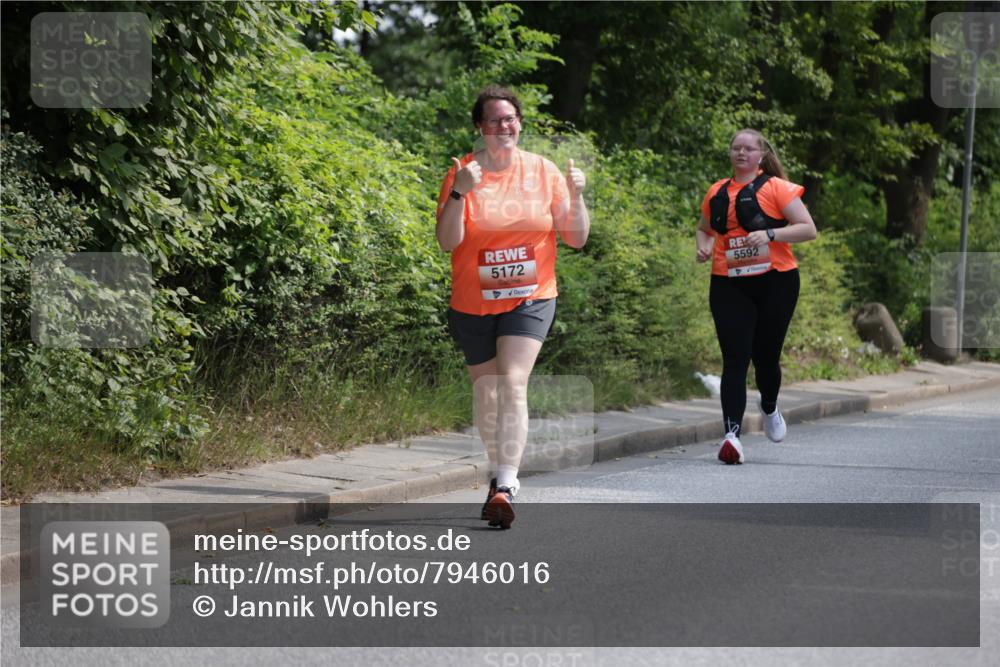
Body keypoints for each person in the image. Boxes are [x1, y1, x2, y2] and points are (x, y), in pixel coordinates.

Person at [436, 85, 590, 527]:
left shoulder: (542, 171)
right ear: (480, 128)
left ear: (520, 122)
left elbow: (576, 238)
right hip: (472, 298)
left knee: (513, 382)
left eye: (510, 118)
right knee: (487, 392)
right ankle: (497, 473)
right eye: (494, 120)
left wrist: (577, 196)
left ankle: (506, 484)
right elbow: (448, 241)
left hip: (531, 295)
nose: (504, 126)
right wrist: (459, 194)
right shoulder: (462, 173)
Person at [695, 129, 817, 464]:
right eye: (736, 148)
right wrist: (703, 246)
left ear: (761, 155)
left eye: (749, 149)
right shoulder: (716, 191)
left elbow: (809, 229)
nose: (741, 153)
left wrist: (770, 234)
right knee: (735, 358)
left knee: (765, 358)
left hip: (776, 281)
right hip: (728, 282)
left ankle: (769, 406)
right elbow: (705, 228)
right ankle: (731, 436)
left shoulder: (777, 188)